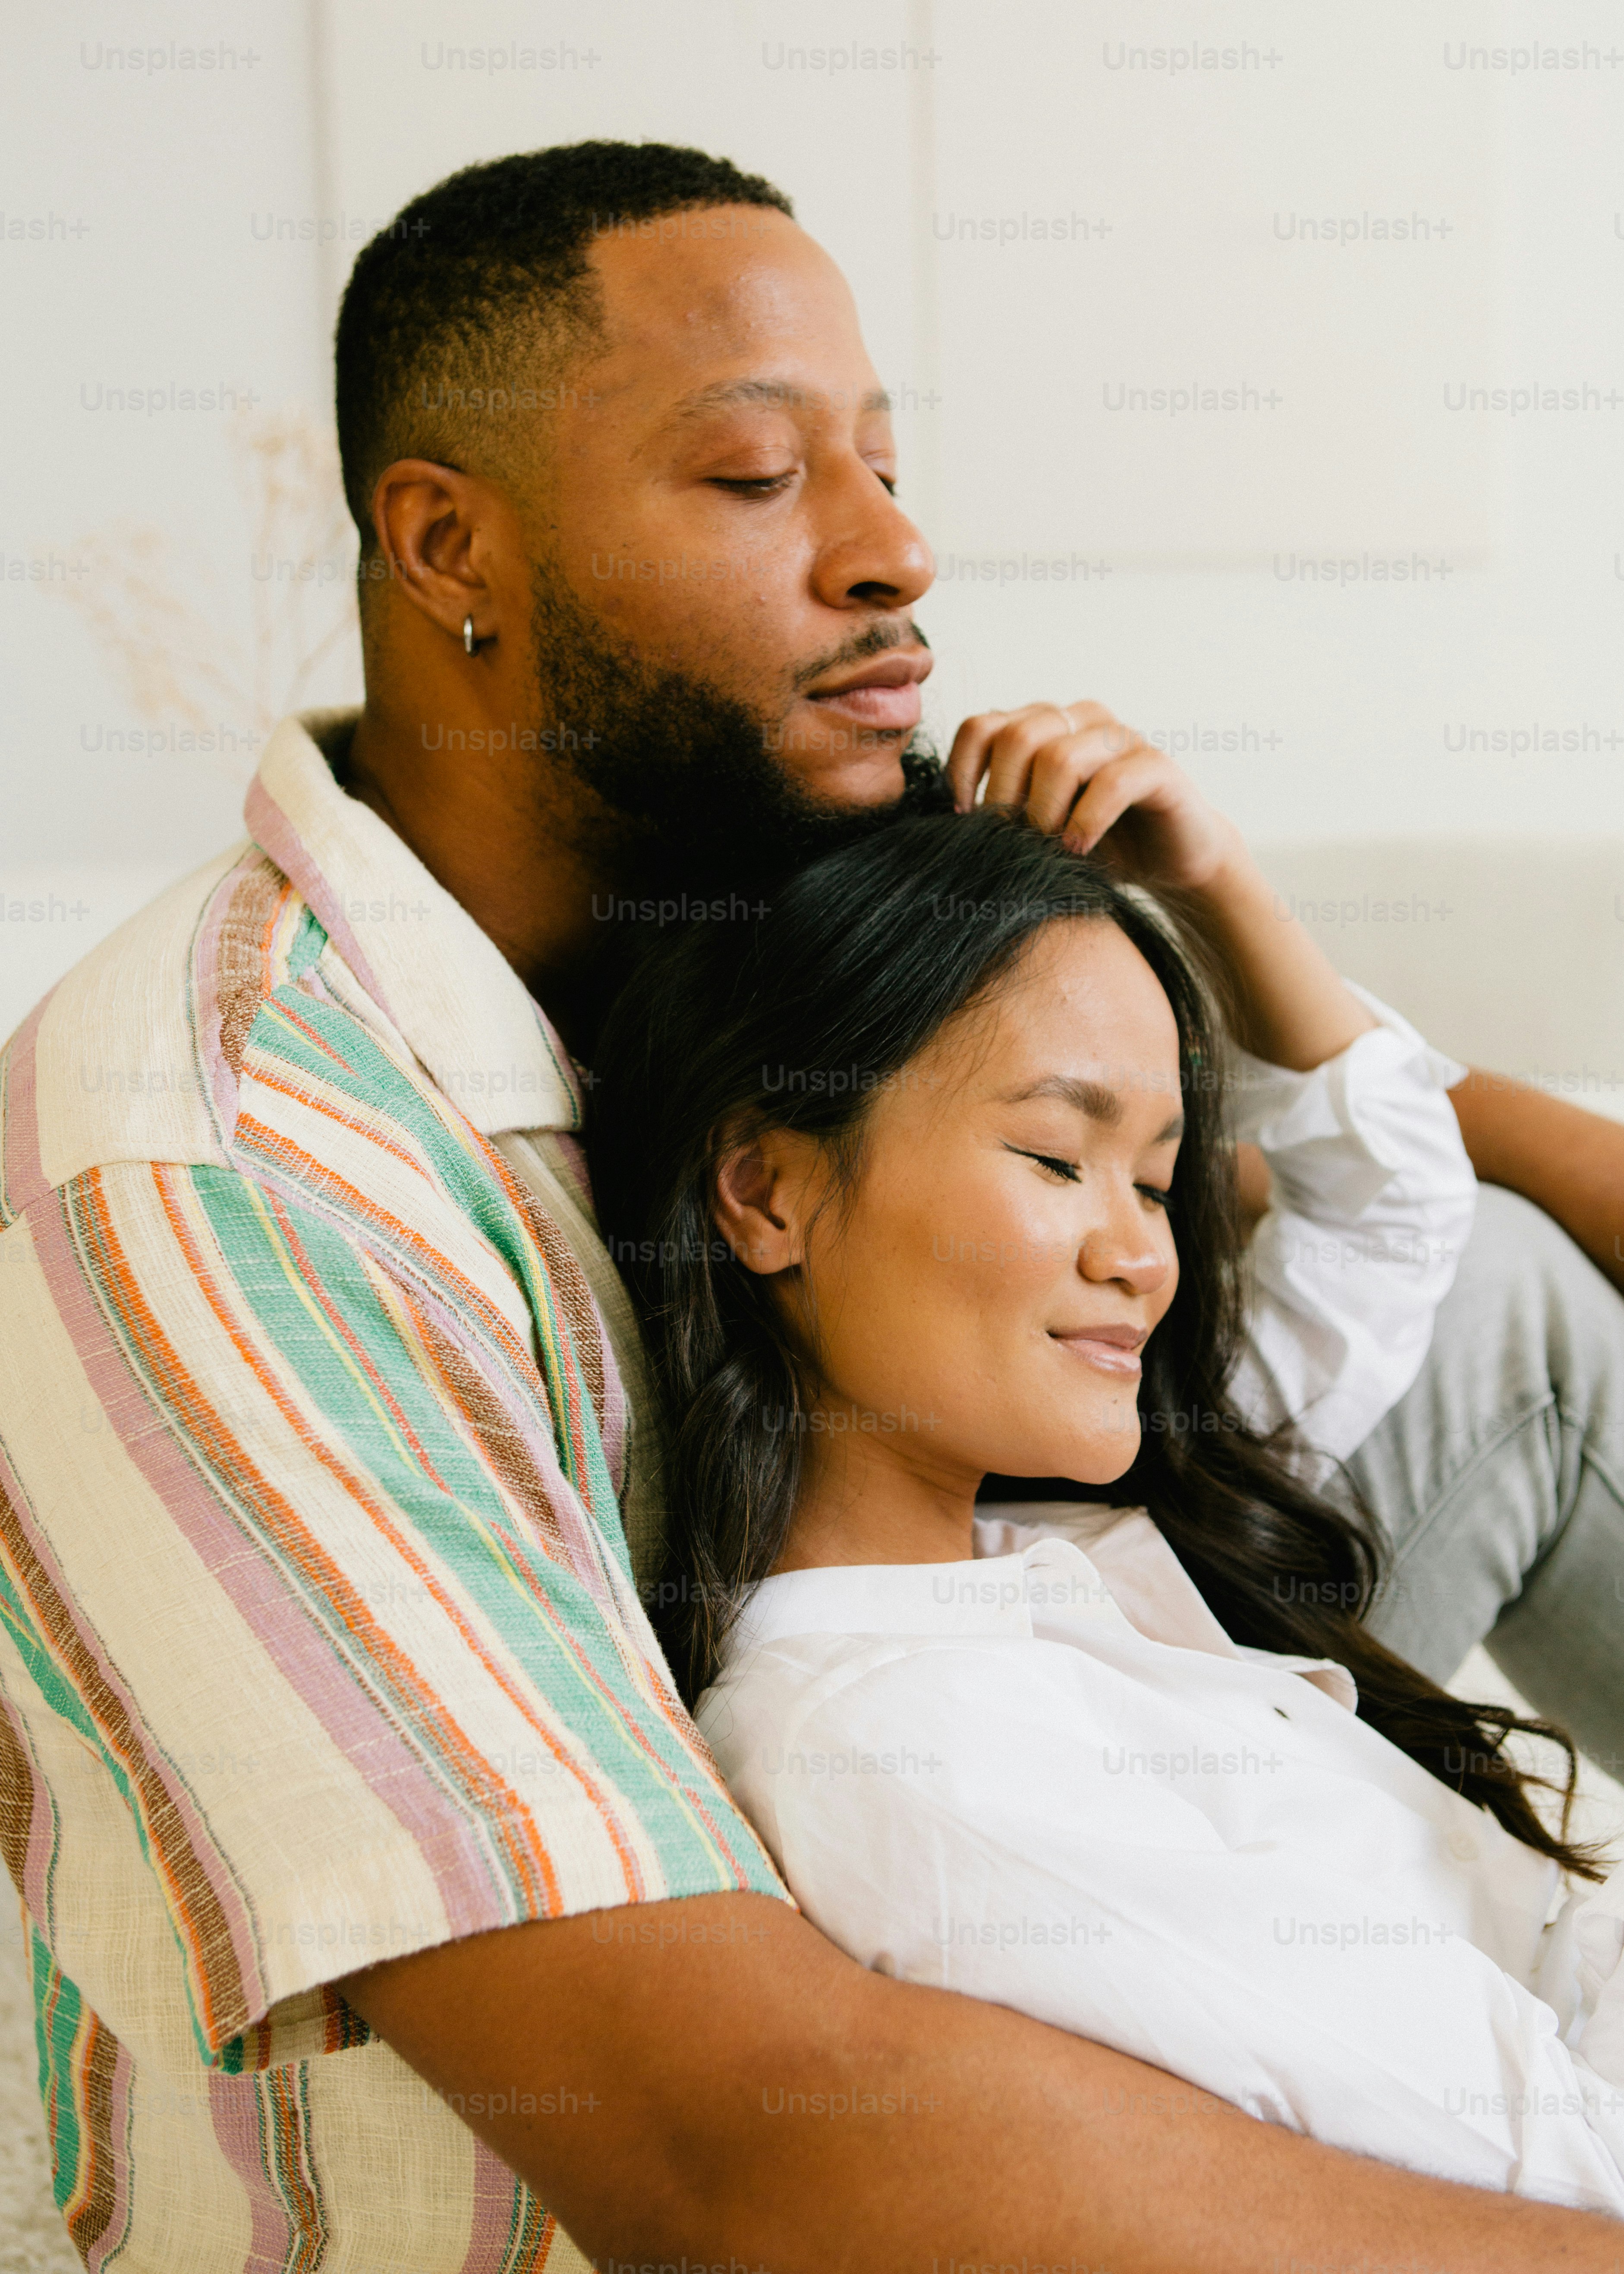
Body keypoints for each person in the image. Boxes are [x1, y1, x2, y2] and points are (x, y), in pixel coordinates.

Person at [1, 134, 1622, 2270]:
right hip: (734, 2059)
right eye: (758, 480)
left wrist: (1420, 1066)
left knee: (1503, 1298)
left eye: (880, 461)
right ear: (445, 545)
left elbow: (1279, 1186)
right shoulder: (221, 1171)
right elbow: (738, 2154)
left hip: (1026, 1694)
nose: (892, 551)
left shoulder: (746, 878)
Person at [586, 803, 1624, 2212]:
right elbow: (1548, 2172)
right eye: (1055, 1160)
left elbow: (1398, 1210)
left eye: (1154, 1180)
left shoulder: (1048, 1548)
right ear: (764, 1192)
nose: (1142, 1252)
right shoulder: (911, 1750)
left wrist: (1208, 880)